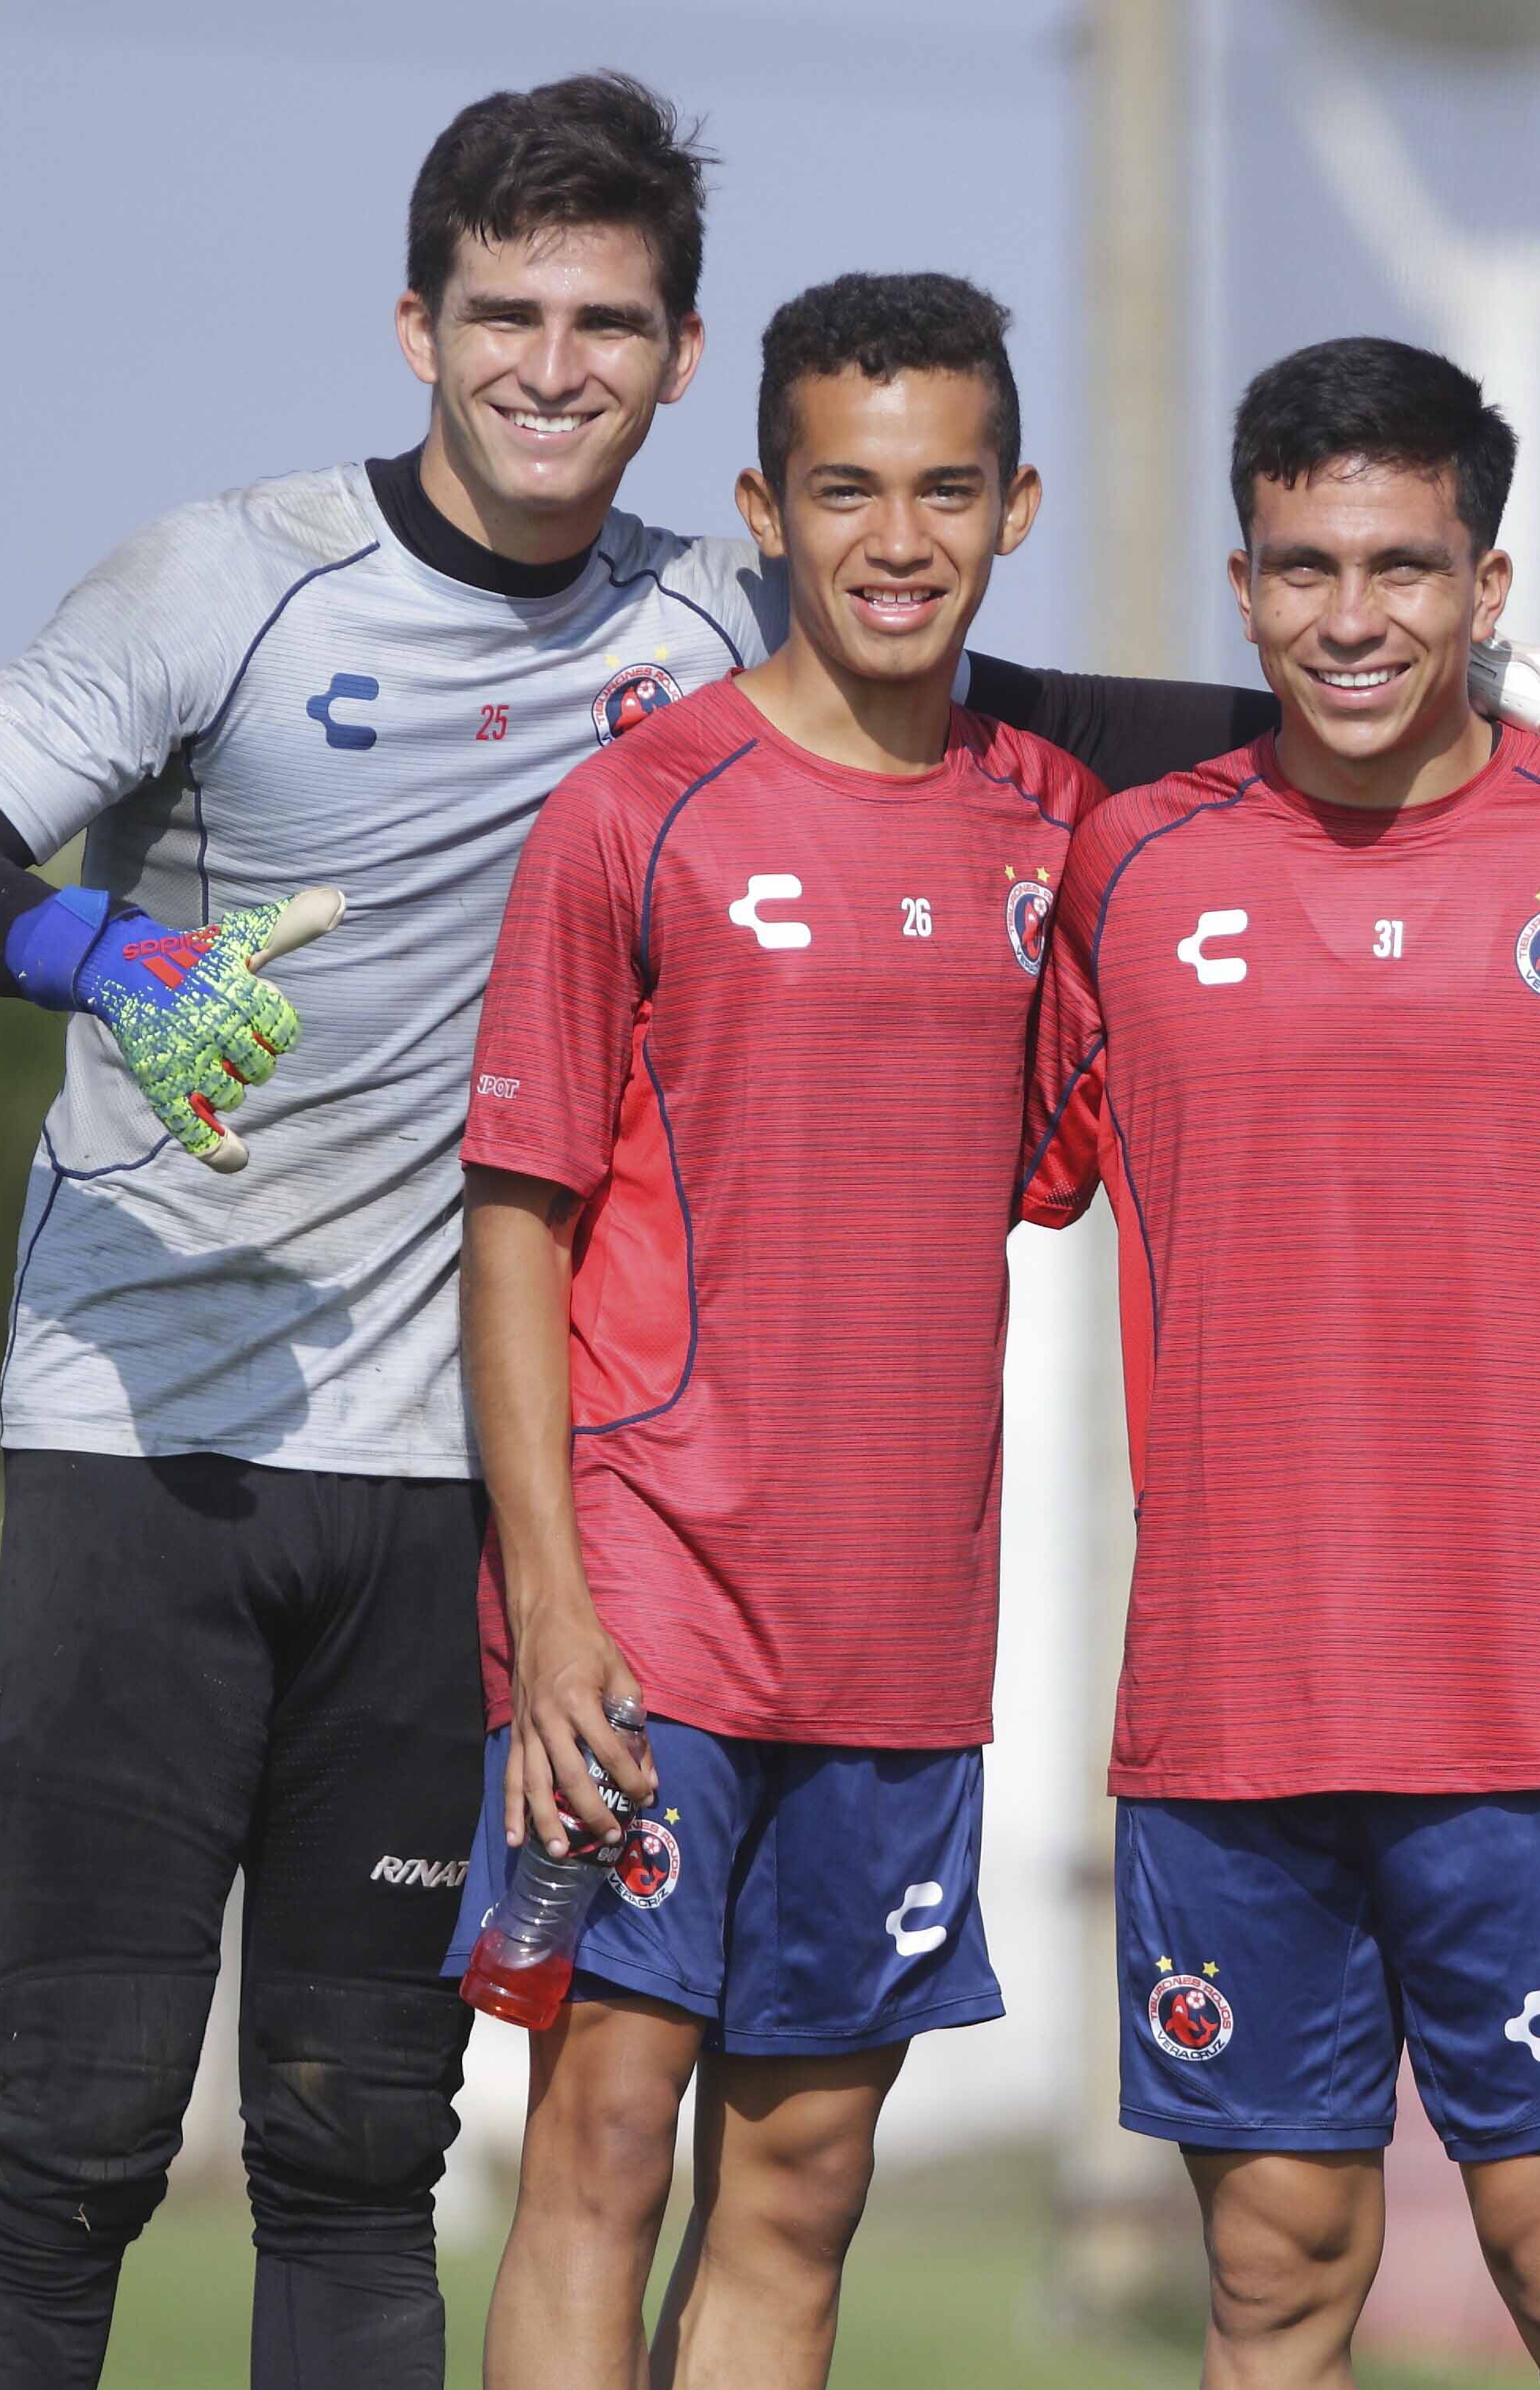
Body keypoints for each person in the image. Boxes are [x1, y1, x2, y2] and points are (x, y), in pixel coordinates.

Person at [0, 73, 1349, 2388]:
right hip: (150, 1445)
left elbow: (1030, 716)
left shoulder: (715, 617)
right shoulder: (228, 583)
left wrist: (1449, 739)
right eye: (504, 313)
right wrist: (111, 966)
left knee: (357, 2149)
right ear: (413, 326)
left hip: (457, 1494)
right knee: (79, 2124)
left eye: (605, 323)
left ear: (680, 359)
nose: (552, 365)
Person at [1020, 336, 1540, 2390]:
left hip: (1527, 1688)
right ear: (1241, 577)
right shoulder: (1140, 870)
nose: (1350, 619)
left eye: (1400, 567)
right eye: (1301, 569)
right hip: (1227, 1696)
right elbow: (996, 1162)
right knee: (1278, 2271)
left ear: (1488, 585)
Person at [447, 270, 1091, 2390]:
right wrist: (551, 1612)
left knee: (803, 2177)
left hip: (904, 1630)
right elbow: (516, 1224)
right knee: (605, 2143)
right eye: (844, 491)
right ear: (764, 508)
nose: (893, 539)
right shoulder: (642, 813)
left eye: (942, 491)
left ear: (1012, 511)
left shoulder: (1052, 830)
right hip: (651, 1612)